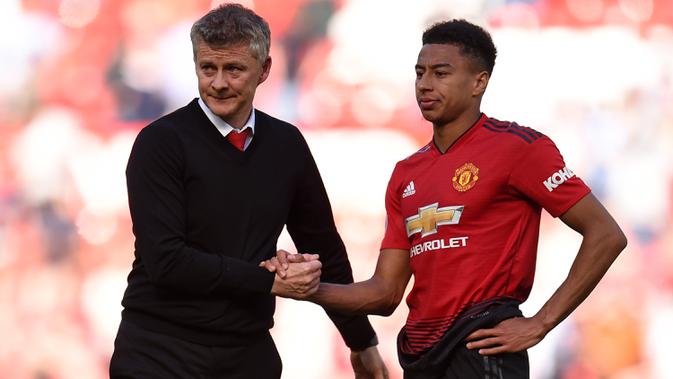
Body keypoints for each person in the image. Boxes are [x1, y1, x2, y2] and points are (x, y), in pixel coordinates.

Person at [263, 19, 627, 378]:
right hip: (420, 353)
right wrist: (305, 289)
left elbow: (607, 234)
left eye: (440, 73)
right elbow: (385, 293)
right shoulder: (406, 172)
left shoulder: (519, 148)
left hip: (482, 346)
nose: (424, 84)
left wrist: (541, 323)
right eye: (419, 73)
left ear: (478, 82)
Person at [109, 3, 387, 378]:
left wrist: (361, 342)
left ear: (265, 69)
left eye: (234, 69)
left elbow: (324, 247)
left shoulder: (286, 144)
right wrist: (269, 281)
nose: (219, 82)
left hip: (247, 352)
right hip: (160, 353)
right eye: (208, 68)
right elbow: (167, 261)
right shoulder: (160, 143)